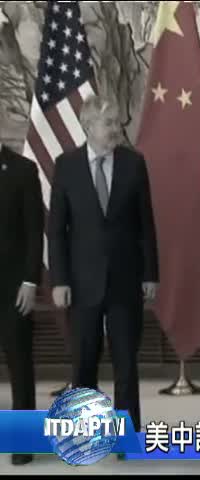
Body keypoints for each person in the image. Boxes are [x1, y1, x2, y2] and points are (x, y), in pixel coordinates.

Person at [47, 95, 158, 449]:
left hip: (126, 280)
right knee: (84, 364)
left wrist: (150, 273)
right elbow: (56, 229)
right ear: (88, 126)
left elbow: (146, 225)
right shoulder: (66, 166)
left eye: (116, 122)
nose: (116, 129)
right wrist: (59, 280)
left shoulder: (134, 163)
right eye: (108, 123)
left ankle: (127, 439)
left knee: (126, 364)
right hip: (82, 283)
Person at [0, 142, 44, 466]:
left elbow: (34, 231)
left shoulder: (23, 170)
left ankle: (23, 443)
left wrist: (30, 281)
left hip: (13, 287)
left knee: (20, 365)